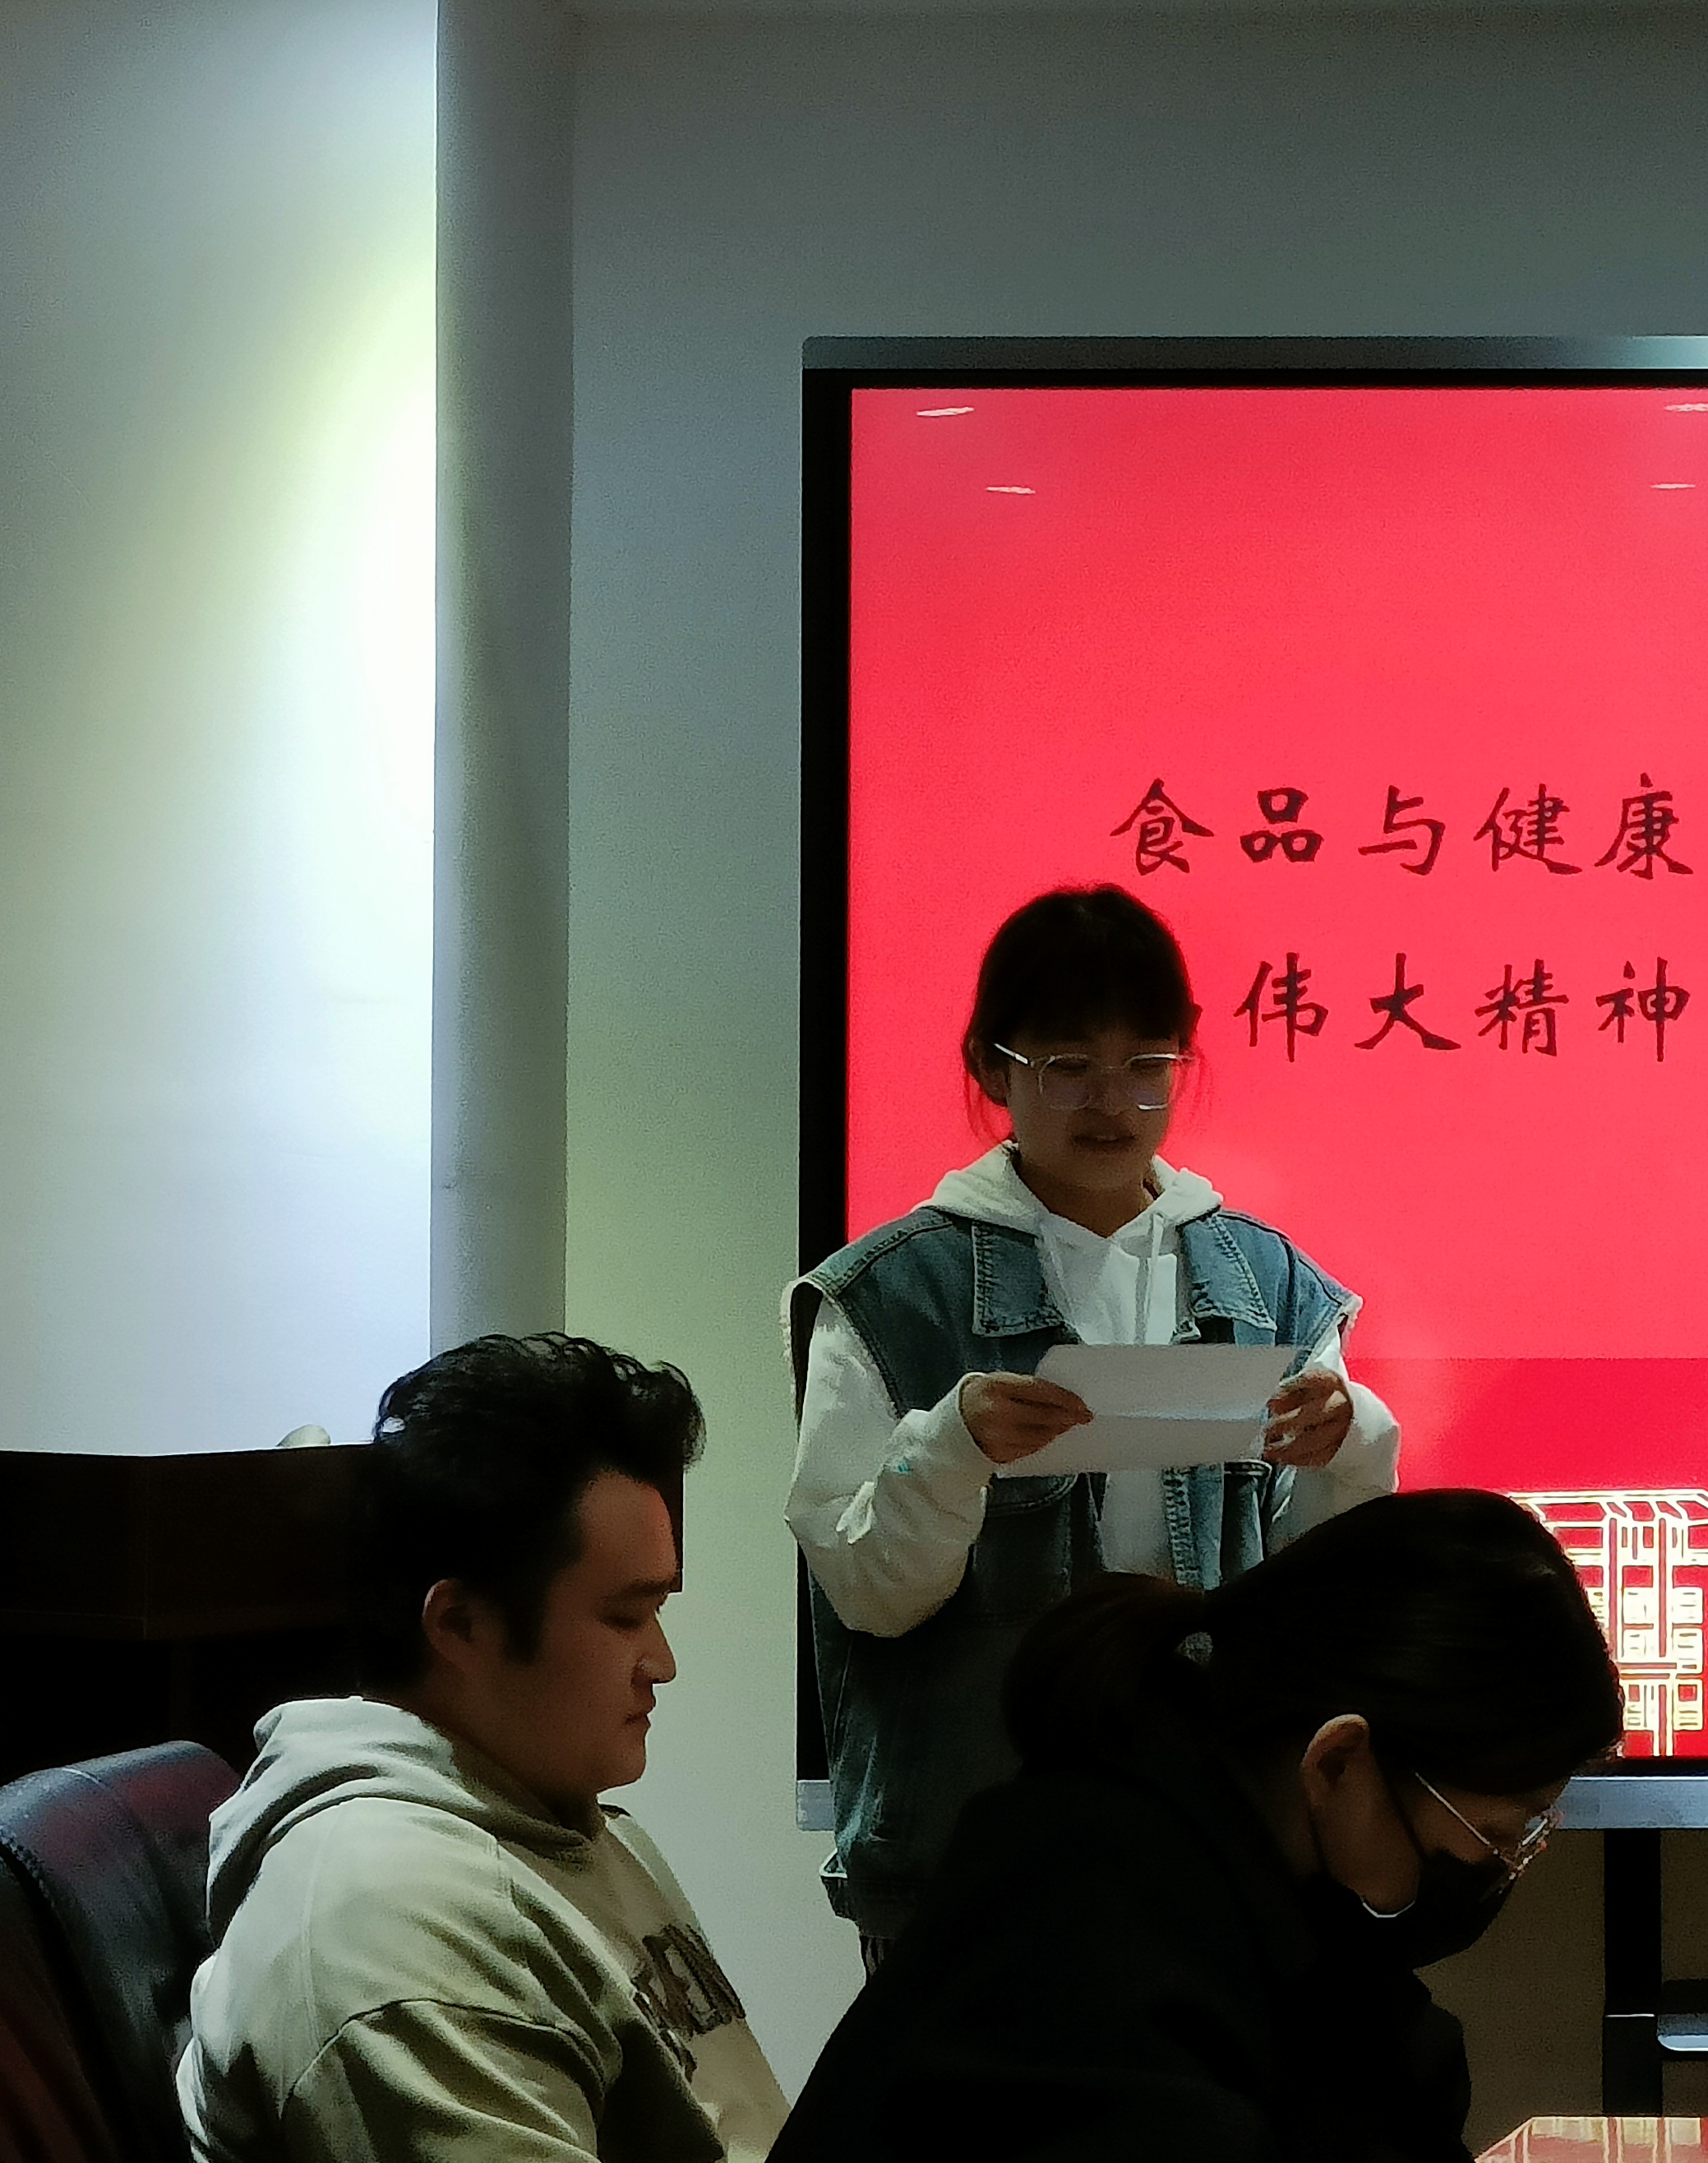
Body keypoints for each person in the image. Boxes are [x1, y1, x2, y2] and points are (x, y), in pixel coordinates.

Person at [785, 884, 1399, 1953]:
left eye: (1146, 1064)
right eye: (1067, 1065)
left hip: (1213, 1851)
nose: (1111, 1101)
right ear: (993, 1069)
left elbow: (1321, 1596)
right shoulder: (890, 1294)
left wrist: (1351, 1442)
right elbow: (870, 1596)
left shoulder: (1269, 1285)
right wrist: (953, 1448)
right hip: (974, 1874)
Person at [774, 1489, 1620, 2163]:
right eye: (1499, 1833)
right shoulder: (1088, 1934)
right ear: (1336, 1761)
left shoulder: (1263, 1906)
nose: (1503, 1866)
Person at [181, 1334, 788, 2163]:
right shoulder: (391, 1931)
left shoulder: (580, 1830)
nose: (663, 1662)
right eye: (624, 1616)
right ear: (462, 1625)